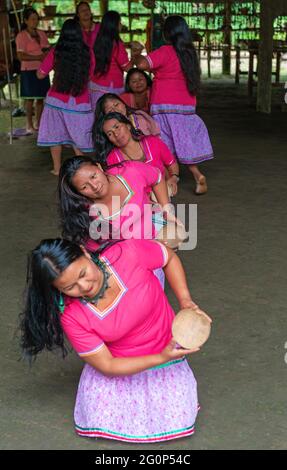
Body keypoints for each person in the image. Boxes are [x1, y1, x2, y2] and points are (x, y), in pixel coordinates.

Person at [19, 237, 211, 442]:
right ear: (57, 289)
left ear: (85, 253)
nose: (84, 286)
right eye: (69, 287)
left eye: (83, 273)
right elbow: (108, 365)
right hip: (122, 367)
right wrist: (161, 357)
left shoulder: (128, 253)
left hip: (164, 349)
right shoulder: (71, 316)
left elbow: (169, 257)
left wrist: (185, 300)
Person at [58, 155, 172, 286]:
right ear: (78, 193)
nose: (95, 186)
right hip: (116, 267)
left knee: (154, 292)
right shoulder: (83, 213)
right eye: (84, 187)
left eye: (94, 176)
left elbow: (157, 178)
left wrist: (167, 212)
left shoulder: (132, 172)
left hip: (149, 251)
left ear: (99, 167)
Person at [134, 15, 214, 195]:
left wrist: (138, 52)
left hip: (164, 104)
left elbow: (141, 65)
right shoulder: (189, 53)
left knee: (164, 143)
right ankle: (193, 175)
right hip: (186, 104)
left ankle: (167, 181)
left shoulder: (166, 51)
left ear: (167, 33)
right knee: (182, 141)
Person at [37, 19, 94, 176]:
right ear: (79, 33)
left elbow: (40, 74)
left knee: (54, 134)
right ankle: (81, 168)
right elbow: (90, 75)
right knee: (78, 135)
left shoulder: (56, 51)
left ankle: (57, 168)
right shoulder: (88, 52)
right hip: (79, 101)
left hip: (56, 99)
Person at [93, 112, 180, 196]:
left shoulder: (153, 142)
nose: (116, 134)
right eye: (109, 134)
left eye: (117, 127)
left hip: (162, 194)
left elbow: (171, 163)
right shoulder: (112, 159)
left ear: (128, 125)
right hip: (136, 204)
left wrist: (174, 178)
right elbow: (118, 190)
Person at [16, 8, 50, 133]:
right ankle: (29, 124)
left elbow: (47, 49)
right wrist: (38, 57)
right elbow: (20, 56)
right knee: (29, 98)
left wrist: (46, 55)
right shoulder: (21, 36)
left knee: (41, 97)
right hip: (28, 70)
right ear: (26, 21)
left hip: (42, 69)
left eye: (37, 19)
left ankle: (39, 122)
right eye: (32, 19)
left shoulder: (41, 34)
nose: (35, 22)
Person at [89, 11, 132, 111]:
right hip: (111, 87)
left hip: (95, 85)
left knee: (98, 116)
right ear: (114, 25)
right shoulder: (117, 44)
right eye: (119, 22)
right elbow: (127, 67)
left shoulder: (97, 41)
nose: (121, 25)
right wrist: (135, 57)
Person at [95, 92, 160, 137]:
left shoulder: (141, 118)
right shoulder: (109, 131)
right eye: (110, 110)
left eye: (116, 105)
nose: (115, 110)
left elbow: (156, 134)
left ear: (123, 104)